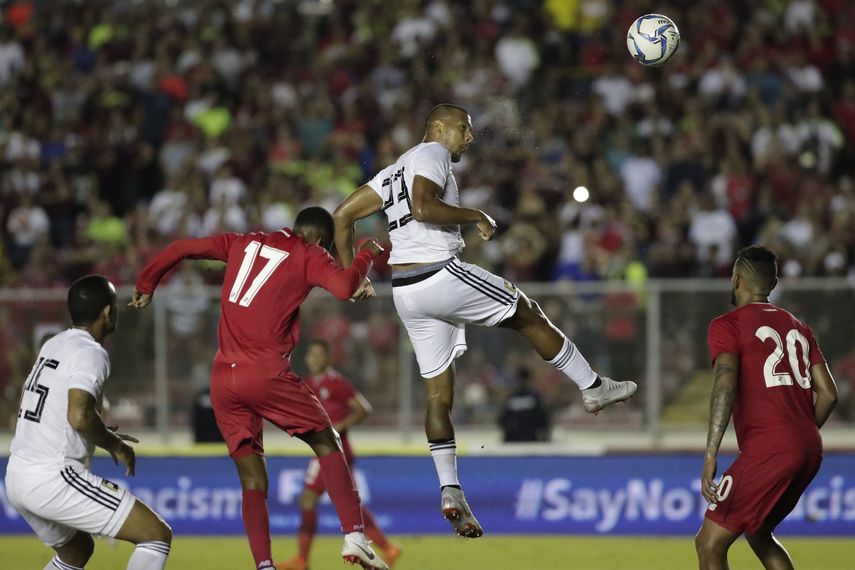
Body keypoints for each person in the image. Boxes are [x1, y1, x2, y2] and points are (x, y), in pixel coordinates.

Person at [332, 103, 637, 538]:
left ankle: (450, 489)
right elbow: (422, 207)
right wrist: (476, 215)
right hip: (437, 271)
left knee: (438, 395)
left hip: (406, 292)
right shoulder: (431, 153)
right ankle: (593, 388)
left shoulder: (392, 170)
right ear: (438, 127)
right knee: (528, 313)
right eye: (463, 128)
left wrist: (351, 278)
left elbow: (341, 215)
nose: (468, 137)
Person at [130, 207, 389, 570]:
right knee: (326, 440)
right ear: (319, 239)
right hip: (264, 372)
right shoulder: (308, 252)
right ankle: (355, 537)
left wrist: (146, 283)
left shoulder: (243, 241)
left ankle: (264, 566)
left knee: (252, 479)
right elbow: (344, 287)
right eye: (328, 248)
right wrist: (367, 254)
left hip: (222, 378)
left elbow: (180, 247)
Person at [5, 275, 173, 570]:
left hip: (17, 475)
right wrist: (115, 445)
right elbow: (79, 416)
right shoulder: (91, 352)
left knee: (76, 551)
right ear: (107, 311)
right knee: (156, 536)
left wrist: (98, 425)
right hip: (52, 477)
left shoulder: (54, 344)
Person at [695, 246, 838, 570]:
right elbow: (829, 393)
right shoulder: (799, 327)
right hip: (810, 449)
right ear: (771, 285)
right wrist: (798, 437)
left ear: (736, 279)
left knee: (709, 542)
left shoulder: (727, 325)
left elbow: (725, 384)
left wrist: (710, 454)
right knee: (759, 532)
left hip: (769, 450)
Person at [281, 340, 401, 570]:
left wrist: (339, 425)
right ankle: (388, 548)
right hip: (325, 449)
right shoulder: (307, 384)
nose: (314, 359)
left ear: (328, 358)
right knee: (349, 502)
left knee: (308, 499)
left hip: (335, 449)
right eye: (311, 355)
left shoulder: (336, 383)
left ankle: (301, 560)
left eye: (319, 355)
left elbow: (363, 409)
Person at [497, 368, 551, 443]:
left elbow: (543, 419)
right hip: (515, 439)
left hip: (530, 439)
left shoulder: (534, 398)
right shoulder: (512, 398)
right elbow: (502, 420)